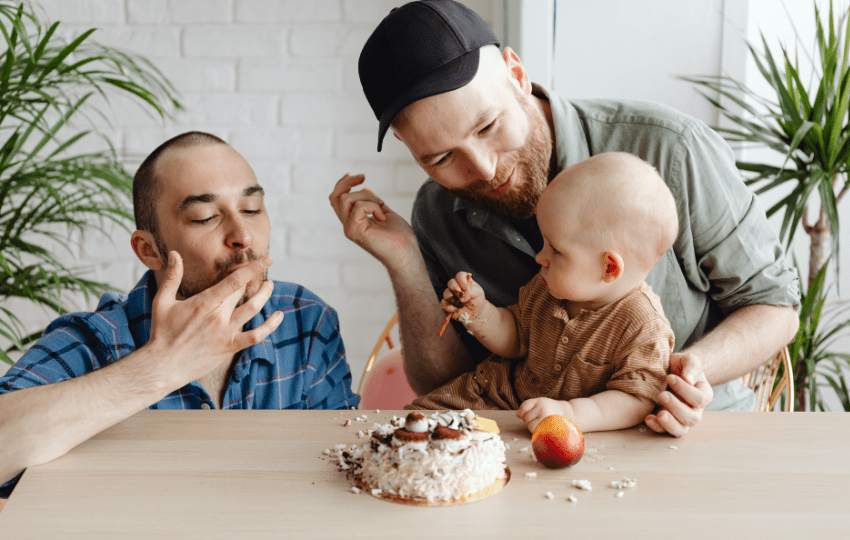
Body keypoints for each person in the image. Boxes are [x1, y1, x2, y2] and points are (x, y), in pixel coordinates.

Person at [330, 0, 800, 437]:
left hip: (680, 433)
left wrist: (682, 374)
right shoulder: (436, 212)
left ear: (517, 74)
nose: (484, 169)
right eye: (440, 158)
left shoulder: (670, 149)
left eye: (488, 126)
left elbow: (775, 304)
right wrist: (405, 260)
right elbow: (448, 385)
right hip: (522, 447)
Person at [0, 131, 360, 496]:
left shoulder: (305, 321)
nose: (243, 235)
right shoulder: (95, 342)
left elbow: (348, 466)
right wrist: (161, 365)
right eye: (205, 217)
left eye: (251, 209)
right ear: (149, 250)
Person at [410, 152, 678, 434]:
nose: (540, 257)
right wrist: (479, 313)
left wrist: (570, 413)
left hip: (564, 430)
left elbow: (636, 399)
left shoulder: (643, 326)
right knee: (416, 421)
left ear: (609, 267)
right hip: (494, 396)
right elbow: (516, 340)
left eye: (556, 250)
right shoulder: (546, 288)